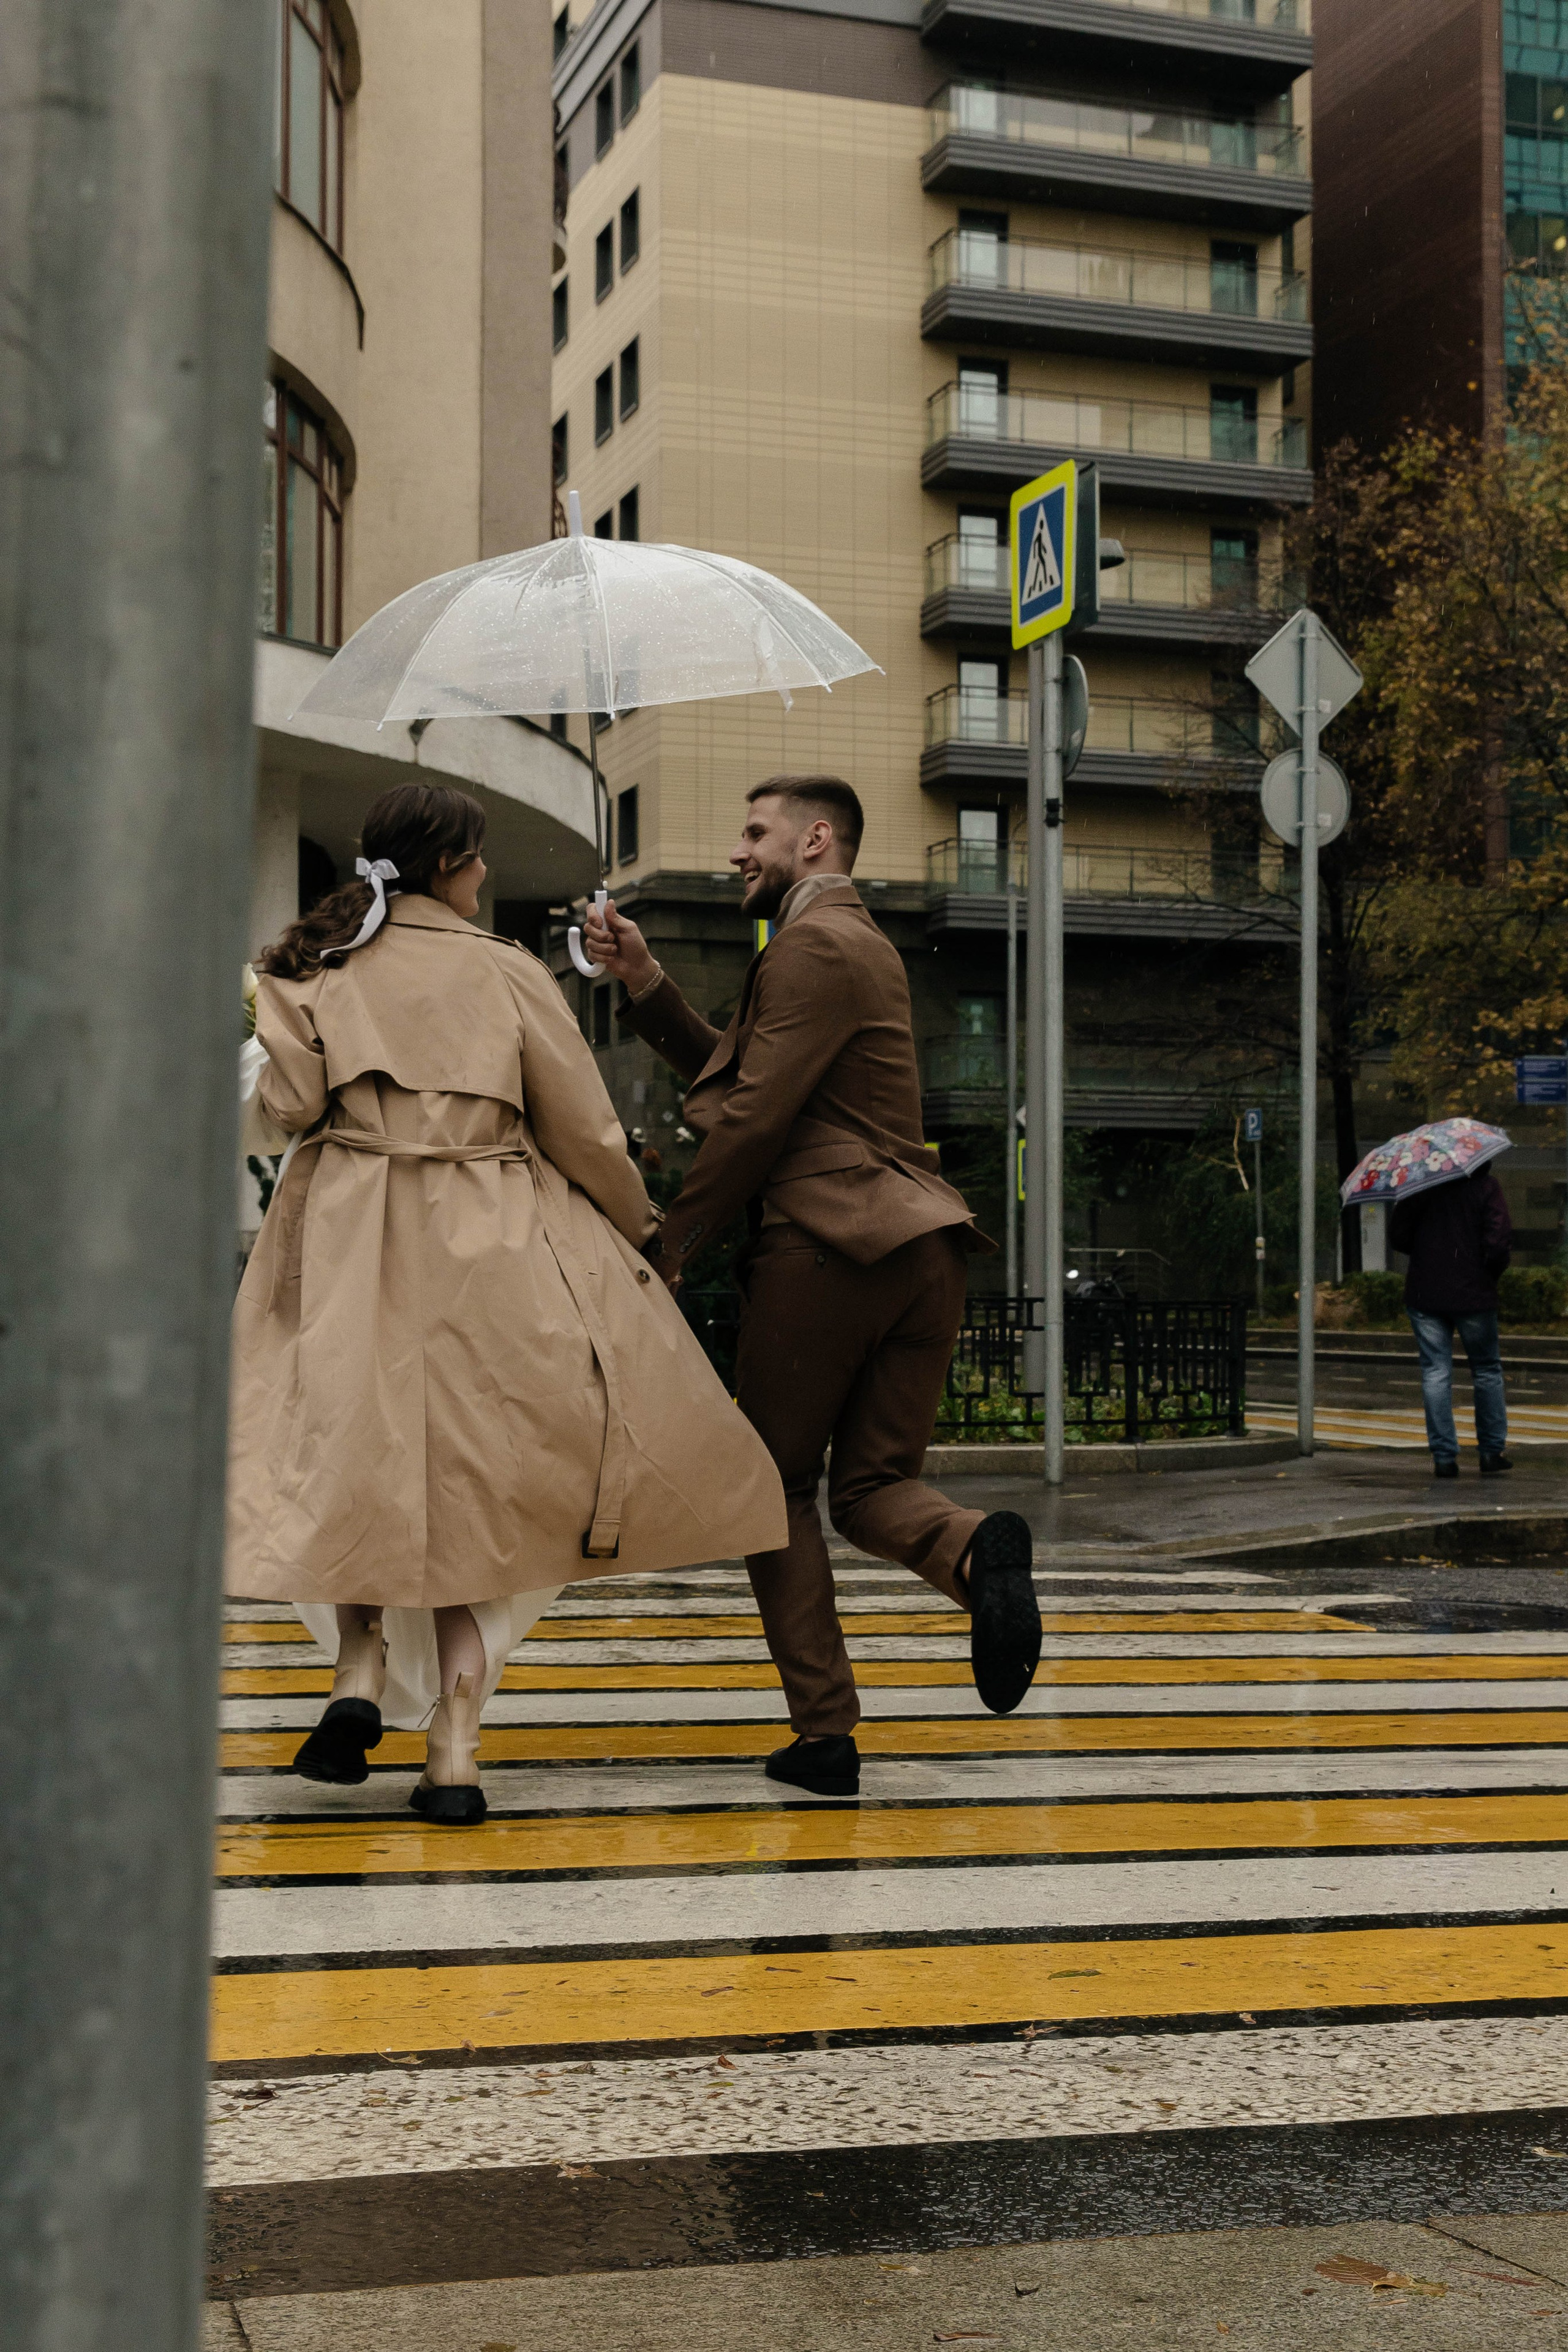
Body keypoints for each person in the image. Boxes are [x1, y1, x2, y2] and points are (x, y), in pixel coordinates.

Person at [229, 782, 785, 1823]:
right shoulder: (510, 972)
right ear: (448, 864)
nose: (487, 874)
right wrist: (641, 1223)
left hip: (352, 1233)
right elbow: (586, 1131)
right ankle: (453, 1754)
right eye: (478, 857)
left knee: (359, 1456)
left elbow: (288, 1105)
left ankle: (355, 1672)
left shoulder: (320, 966)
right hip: (489, 1240)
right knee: (483, 1491)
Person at [584, 773, 1041, 1801]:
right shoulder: (847, 946)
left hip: (828, 1250)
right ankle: (977, 1554)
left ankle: (825, 1734)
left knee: (772, 1487)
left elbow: (748, 1124)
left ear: (818, 840)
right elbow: (754, 1083)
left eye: (757, 832)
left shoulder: (811, 945)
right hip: (921, 1255)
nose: (738, 852)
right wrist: (649, 982)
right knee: (873, 1489)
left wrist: (672, 1242)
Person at [1389, 1164, 1513, 1479]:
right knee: (1486, 1369)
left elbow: (1399, 1237)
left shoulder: (1417, 1187)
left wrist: (1428, 1250)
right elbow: (1498, 1242)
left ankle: (1444, 1458)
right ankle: (1490, 1452)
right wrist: (1488, 1275)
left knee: (1435, 1371)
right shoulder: (1486, 1187)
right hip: (1474, 1294)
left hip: (1425, 1293)